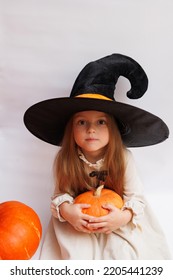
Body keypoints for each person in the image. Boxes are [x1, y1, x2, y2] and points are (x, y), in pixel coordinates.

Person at [24, 53, 171, 259]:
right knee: (75, 255)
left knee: (124, 253)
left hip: (116, 216)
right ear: (71, 130)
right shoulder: (66, 159)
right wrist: (68, 213)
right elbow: (60, 195)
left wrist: (122, 217)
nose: (91, 129)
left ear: (113, 129)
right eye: (82, 122)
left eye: (101, 122)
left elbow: (135, 197)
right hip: (79, 219)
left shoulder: (123, 158)